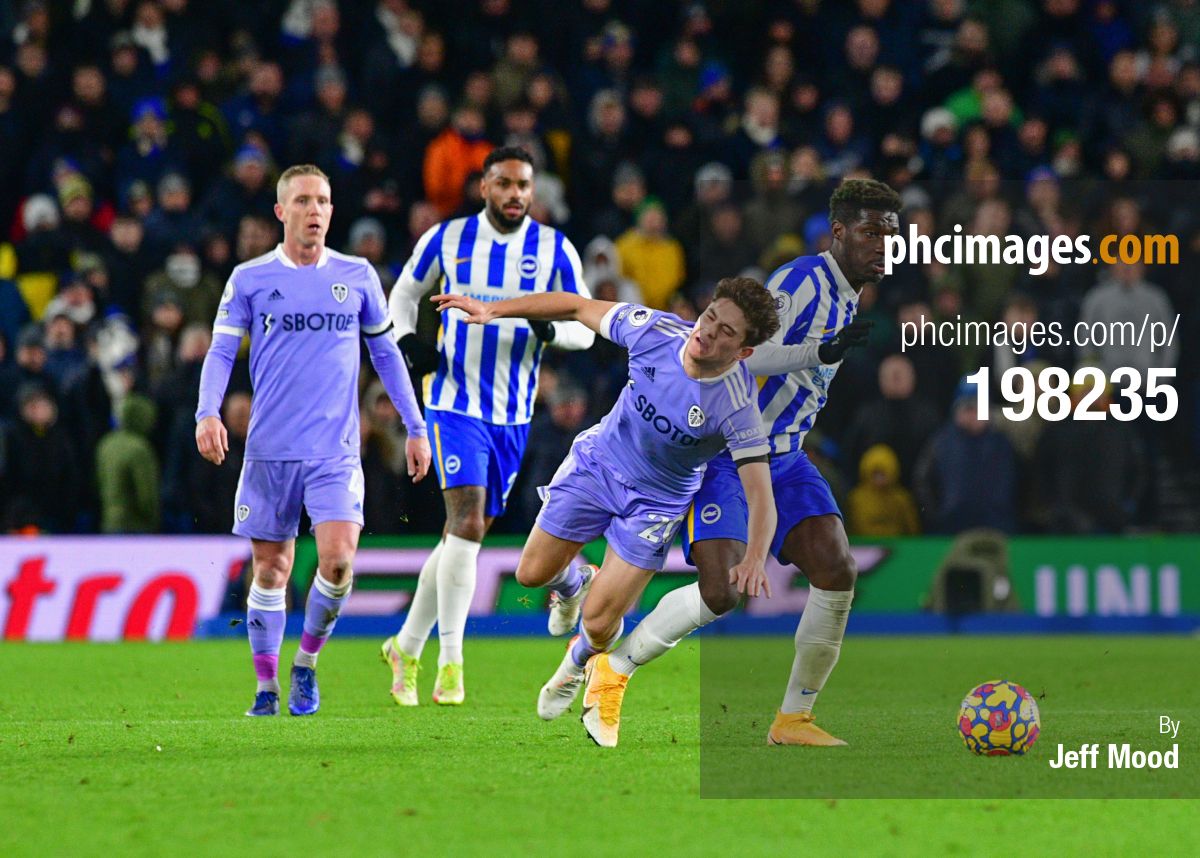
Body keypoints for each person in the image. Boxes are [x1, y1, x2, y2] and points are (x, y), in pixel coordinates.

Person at [433, 276, 780, 747]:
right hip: (598, 466)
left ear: (743, 352)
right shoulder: (654, 330)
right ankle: (573, 585)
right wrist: (495, 309)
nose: (707, 331)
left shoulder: (737, 407)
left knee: (598, 625)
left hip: (657, 502)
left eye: (726, 332)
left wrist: (756, 556)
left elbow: (761, 493)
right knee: (531, 575)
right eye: (709, 316)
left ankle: (576, 663)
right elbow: (576, 306)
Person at [670, 179, 902, 747]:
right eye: (872, 233)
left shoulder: (849, 296)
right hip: (733, 453)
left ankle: (793, 719)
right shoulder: (801, 280)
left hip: (788, 457)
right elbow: (744, 354)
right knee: (720, 592)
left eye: (891, 236)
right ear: (839, 232)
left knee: (837, 569)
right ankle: (618, 663)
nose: (883, 245)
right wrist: (818, 351)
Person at [194, 164, 431, 718]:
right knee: (271, 571)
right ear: (281, 211)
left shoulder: (358, 275)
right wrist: (208, 412)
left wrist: (415, 426)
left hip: (335, 452)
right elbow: (221, 350)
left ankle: (306, 662)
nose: (315, 210)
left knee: (339, 562)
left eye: (322, 200)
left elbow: (386, 355)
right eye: (302, 201)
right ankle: (266, 686)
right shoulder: (249, 278)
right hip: (270, 451)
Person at [382, 146, 596, 707]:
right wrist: (407, 340)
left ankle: (405, 645)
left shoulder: (554, 248)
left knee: (460, 536)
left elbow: (585, 326)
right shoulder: (448, 238)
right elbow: (404, 293)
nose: (515, 194)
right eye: (504, 183)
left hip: (514, 414)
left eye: (523, 185)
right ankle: (450, 664)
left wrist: (549, 329)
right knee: (469, 523)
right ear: (483, 187)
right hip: (453, 400)